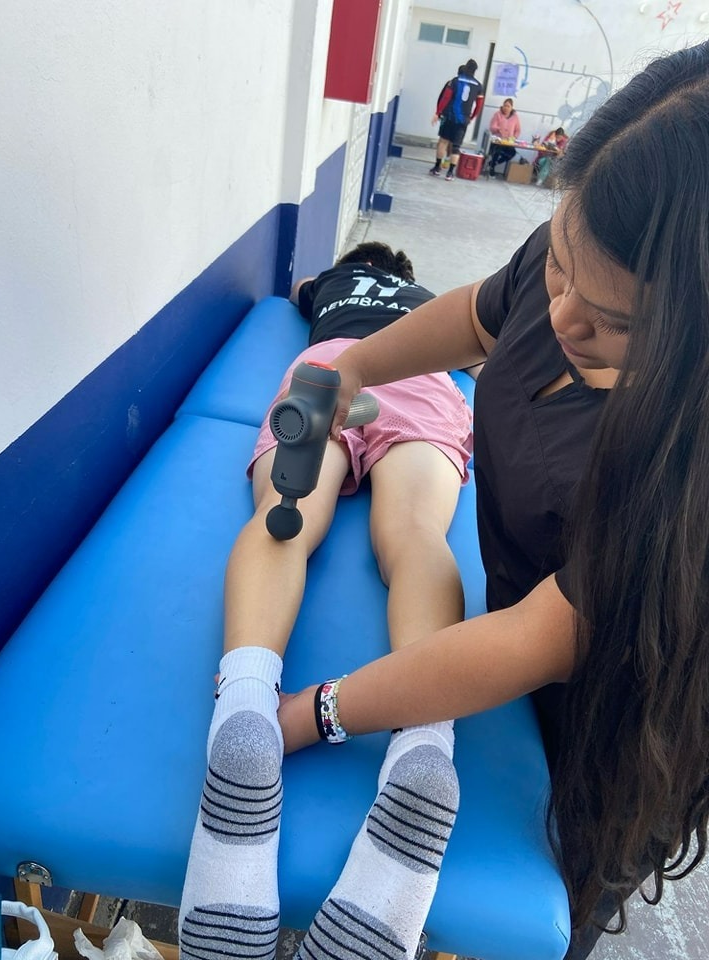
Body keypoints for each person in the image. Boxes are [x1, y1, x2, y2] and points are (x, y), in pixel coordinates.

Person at [278, 40, 709, 960]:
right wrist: (351, 366)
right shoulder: (584, 258)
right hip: (508, 619)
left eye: (615, 322)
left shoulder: (688, 473)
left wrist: (312, 711)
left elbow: (529, 642)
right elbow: (480, 313)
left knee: (536, 905)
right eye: (560, 265)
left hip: (613, 721)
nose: (561, 317)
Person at [178, 242, 473, 960]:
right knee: (415, 536)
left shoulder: (330, 285)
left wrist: (323, 288)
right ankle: (424, 740)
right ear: (406, 278)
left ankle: (245, 704)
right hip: (423, 374)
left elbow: (297, 292)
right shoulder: (431, 307)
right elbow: (481, 344)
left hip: (330, 371)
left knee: (286, 516)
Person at [429, 59, 484, 180]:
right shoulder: (478, 86)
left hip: (449, 116)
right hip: (463, 119)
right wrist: (472, 117)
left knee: (443, 142)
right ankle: (450, 173)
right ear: (475, 70)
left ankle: (437, 168)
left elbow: (446, 97)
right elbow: (479, 105)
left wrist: (438, 112)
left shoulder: (455, 81)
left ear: (466, 67)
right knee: (456, 147)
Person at [486, 97, 521, 176]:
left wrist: (514, 137)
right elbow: (492, 127)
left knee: (512, 153)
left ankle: (493, 163)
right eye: (505, 105)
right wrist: (498, 129)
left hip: (508, 142)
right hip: (497, 141)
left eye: (508, 106)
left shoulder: (515, 117)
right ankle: (492, 168)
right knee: (497, 151)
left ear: (511, 108)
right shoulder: (497, 114)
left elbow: (518, 130)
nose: (506, 108)